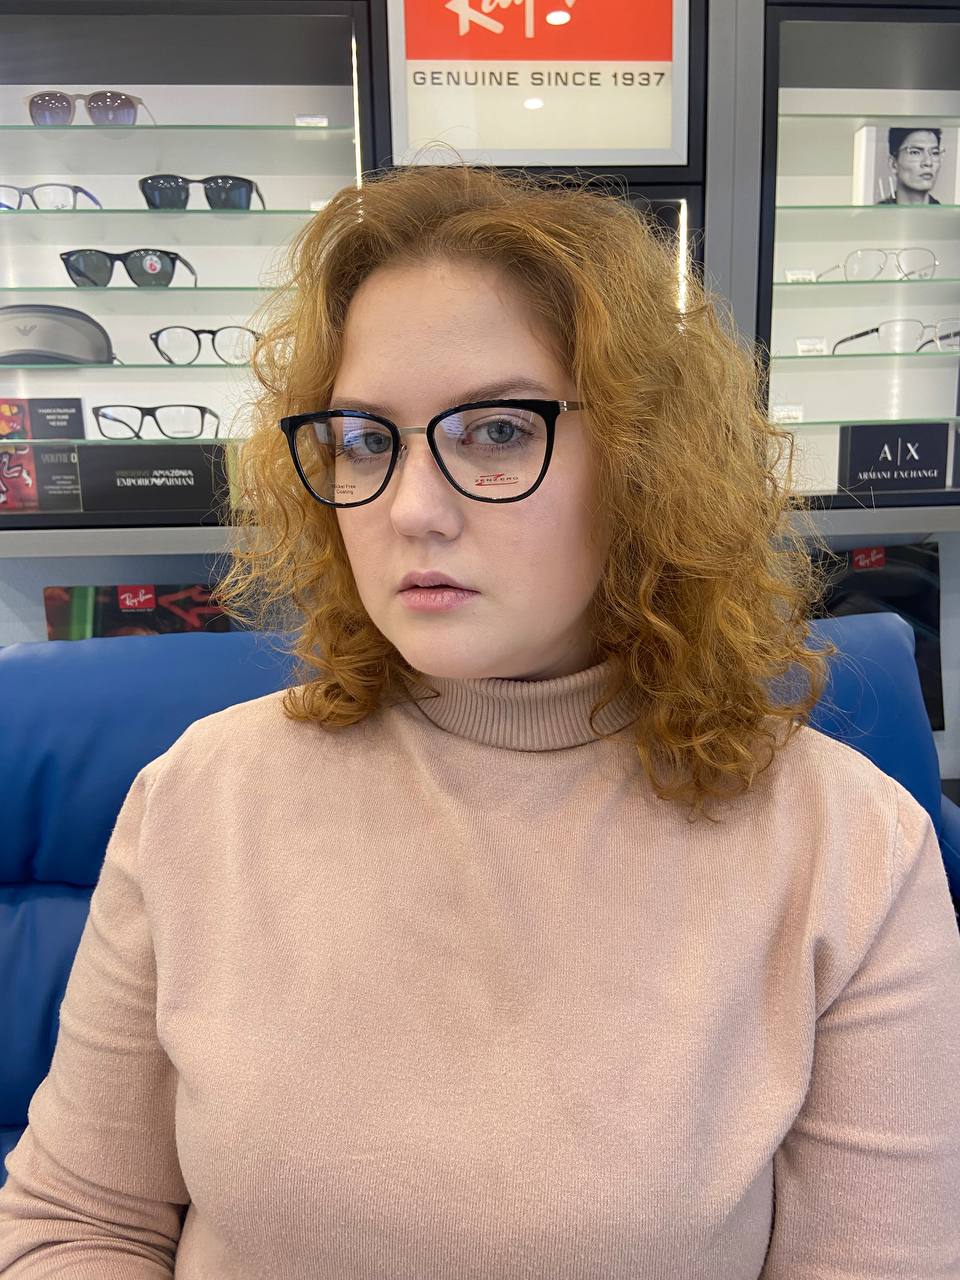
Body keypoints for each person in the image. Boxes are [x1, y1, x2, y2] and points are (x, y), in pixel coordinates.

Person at [2, 160, 959, 1277]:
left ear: (645, 463)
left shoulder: (850, 851)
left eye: (497, 431)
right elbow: (76, 1223)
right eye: (366, 438)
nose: (412, 508)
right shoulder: (197, 797)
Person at [878, 126, 943, 205]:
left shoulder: (946, 213)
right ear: (894, 164)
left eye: (935, 153)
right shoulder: (877, 212)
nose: (928, 162)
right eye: (915, 152)